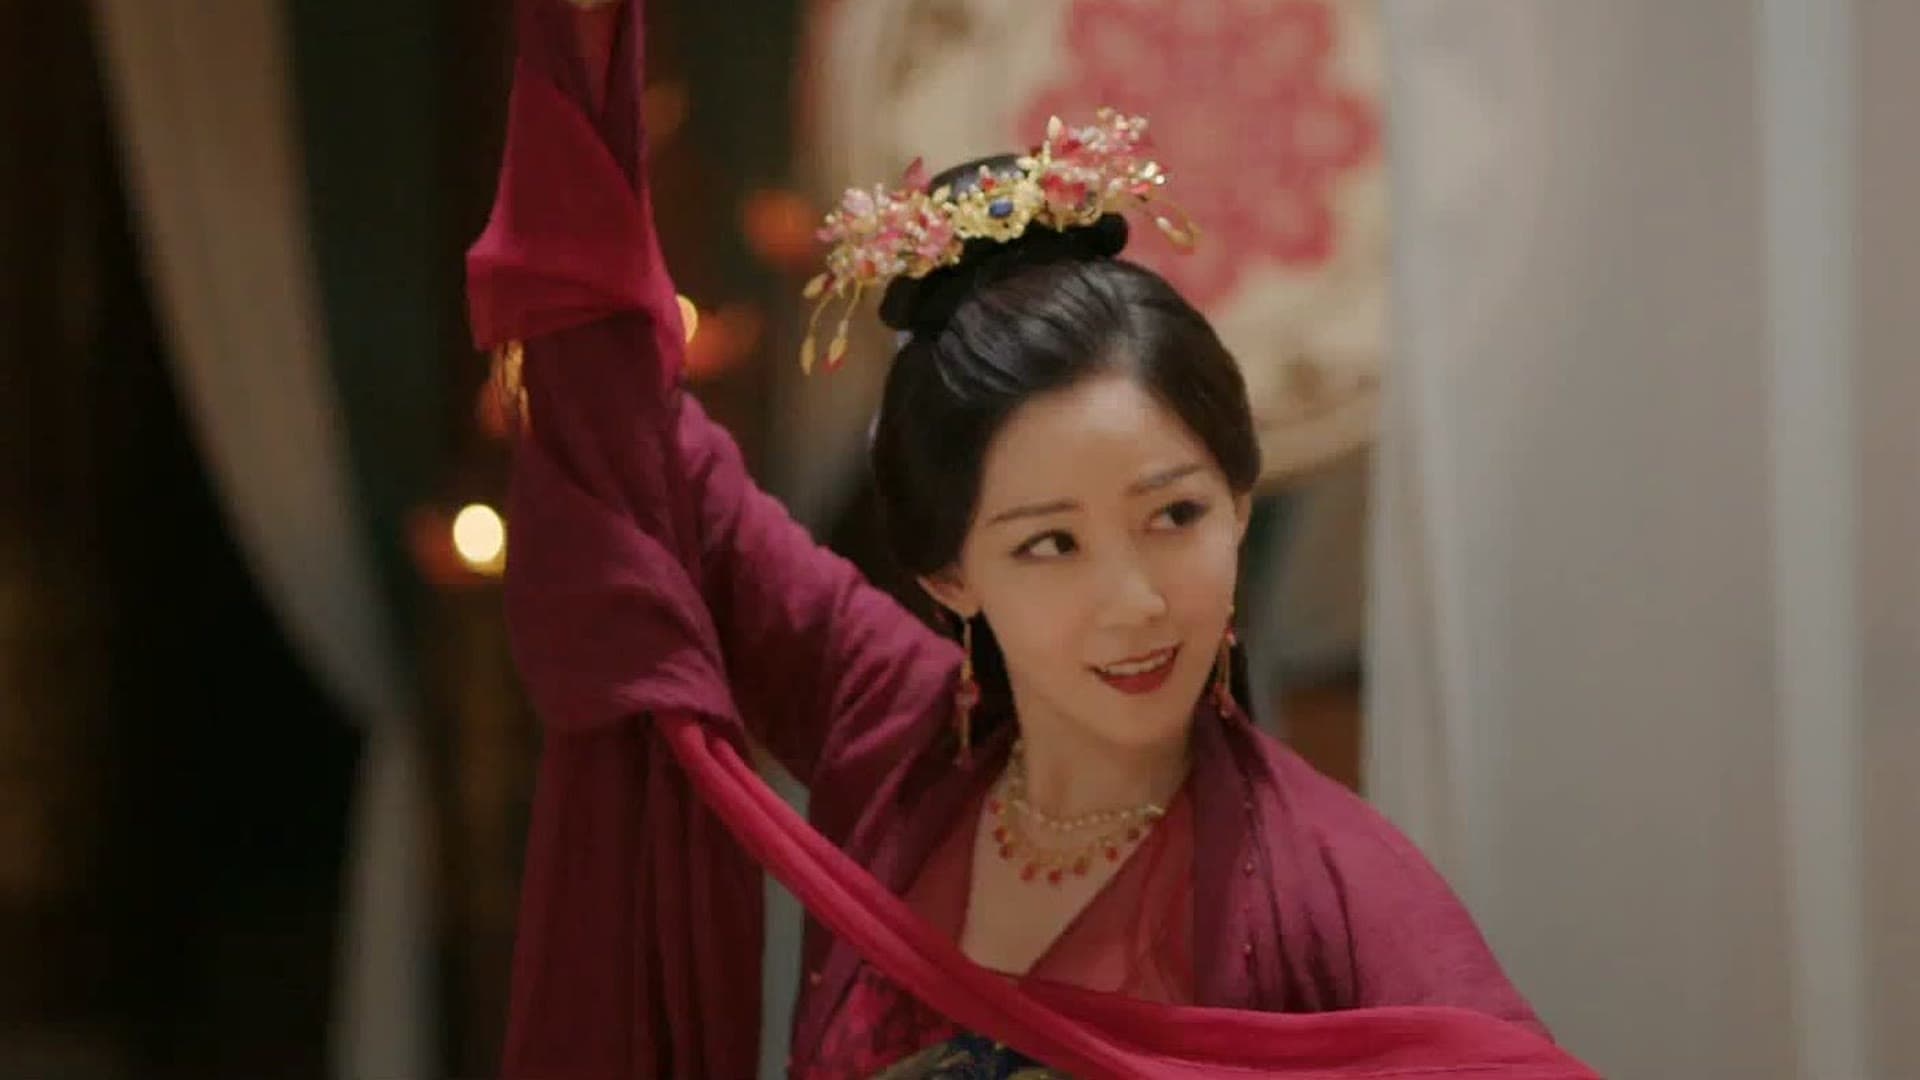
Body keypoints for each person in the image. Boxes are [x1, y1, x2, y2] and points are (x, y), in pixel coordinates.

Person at [469, 1, 1597, 1077]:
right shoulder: (890, 733)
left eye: (1175, 516)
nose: (1136, 600)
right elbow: (623, 434)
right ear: (948, 572)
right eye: (1051, 545)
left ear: (1239, 504)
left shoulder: (1333, 883)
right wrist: (583, 39)